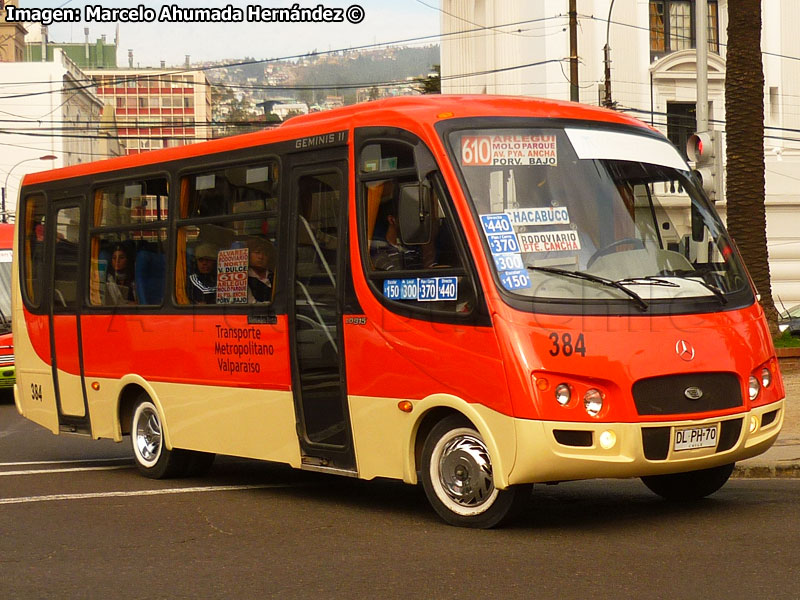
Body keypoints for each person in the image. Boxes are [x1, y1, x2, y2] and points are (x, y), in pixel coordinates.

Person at [370, 200, 424, 271]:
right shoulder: (381, 255)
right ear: (392, 220)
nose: (412, 222)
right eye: (407, 217)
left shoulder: (413, 248)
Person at [247, 237, 273, 303]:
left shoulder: (275, 276)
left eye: (265, 253)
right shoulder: (244, 278)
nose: (261, 257)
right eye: (257, 252)